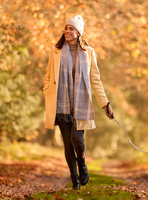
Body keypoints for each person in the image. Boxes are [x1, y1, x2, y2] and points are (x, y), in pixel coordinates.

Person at [43, 15, 114, 190]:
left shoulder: (89, 52)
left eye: (71, 28)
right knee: (67, 143)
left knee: (77, 138)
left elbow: (95, 80)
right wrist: (48, 91)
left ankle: (81, 162)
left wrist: (105, 104)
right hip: (61, 103)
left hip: (81, 103)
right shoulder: (56, 50)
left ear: (78, 32)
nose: (67, 31)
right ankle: (74, 178)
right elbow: (48, 76)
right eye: (66, 28)